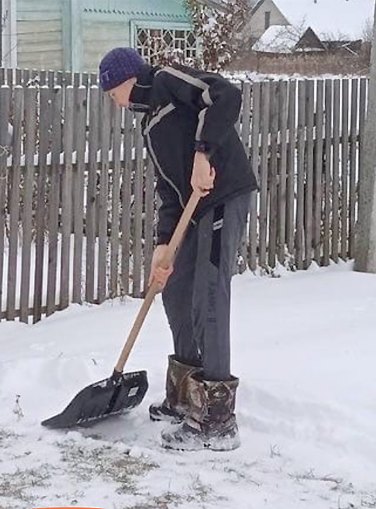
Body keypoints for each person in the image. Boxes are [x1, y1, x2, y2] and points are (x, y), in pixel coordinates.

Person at [98, 48, 257, 451]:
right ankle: (187, 393)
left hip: (223, 195)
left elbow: (224, 94)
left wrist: (204, 151)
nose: (110, 98)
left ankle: (216, 419)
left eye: (110, 89)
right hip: (192, 209)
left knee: (209, 294)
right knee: (175, 289)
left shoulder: (167, 81)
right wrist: (163, 246)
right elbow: (170, 191)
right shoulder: (150, 124)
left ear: (125, 78)